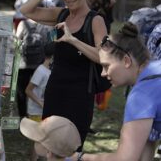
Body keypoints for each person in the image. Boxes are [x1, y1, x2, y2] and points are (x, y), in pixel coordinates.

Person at [20, 0, 107, 151]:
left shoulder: (96, 21)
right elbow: (25, 10)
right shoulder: (61, 15)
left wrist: (72, 40)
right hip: (54, 93)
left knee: (70, 151)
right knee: (48, 148)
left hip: (79, 98)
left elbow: (103, 57)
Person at [64, 22, 161, 161]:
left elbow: (125, 158)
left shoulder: (141, 96)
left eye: (106, 66)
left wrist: (79, 158)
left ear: (126, 61)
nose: (103, 73)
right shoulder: (155, 69)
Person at [25, 43, 54, 161]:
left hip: (45, 111)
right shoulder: (41, 71)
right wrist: (40, 103)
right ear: (52, 57)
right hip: (36, 112)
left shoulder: (50, 71)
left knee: (44, 139)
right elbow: (28, 90)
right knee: (38, 141)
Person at [91, 0, 117, 111]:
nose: (114, 0)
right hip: (94, 50)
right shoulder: (98, 11)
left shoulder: (108, 10)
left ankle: (100, 104)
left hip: (105, 49)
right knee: (93, 81)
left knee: (102, 80)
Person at [15, 18, 48, 118]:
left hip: (22, 64)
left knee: (21, 91)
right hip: (38, 64)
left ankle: (23, 117)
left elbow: (17, 41)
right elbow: (48, 43)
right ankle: (36, 114)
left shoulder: (23, 23)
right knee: (36, 90)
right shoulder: (45, 25)